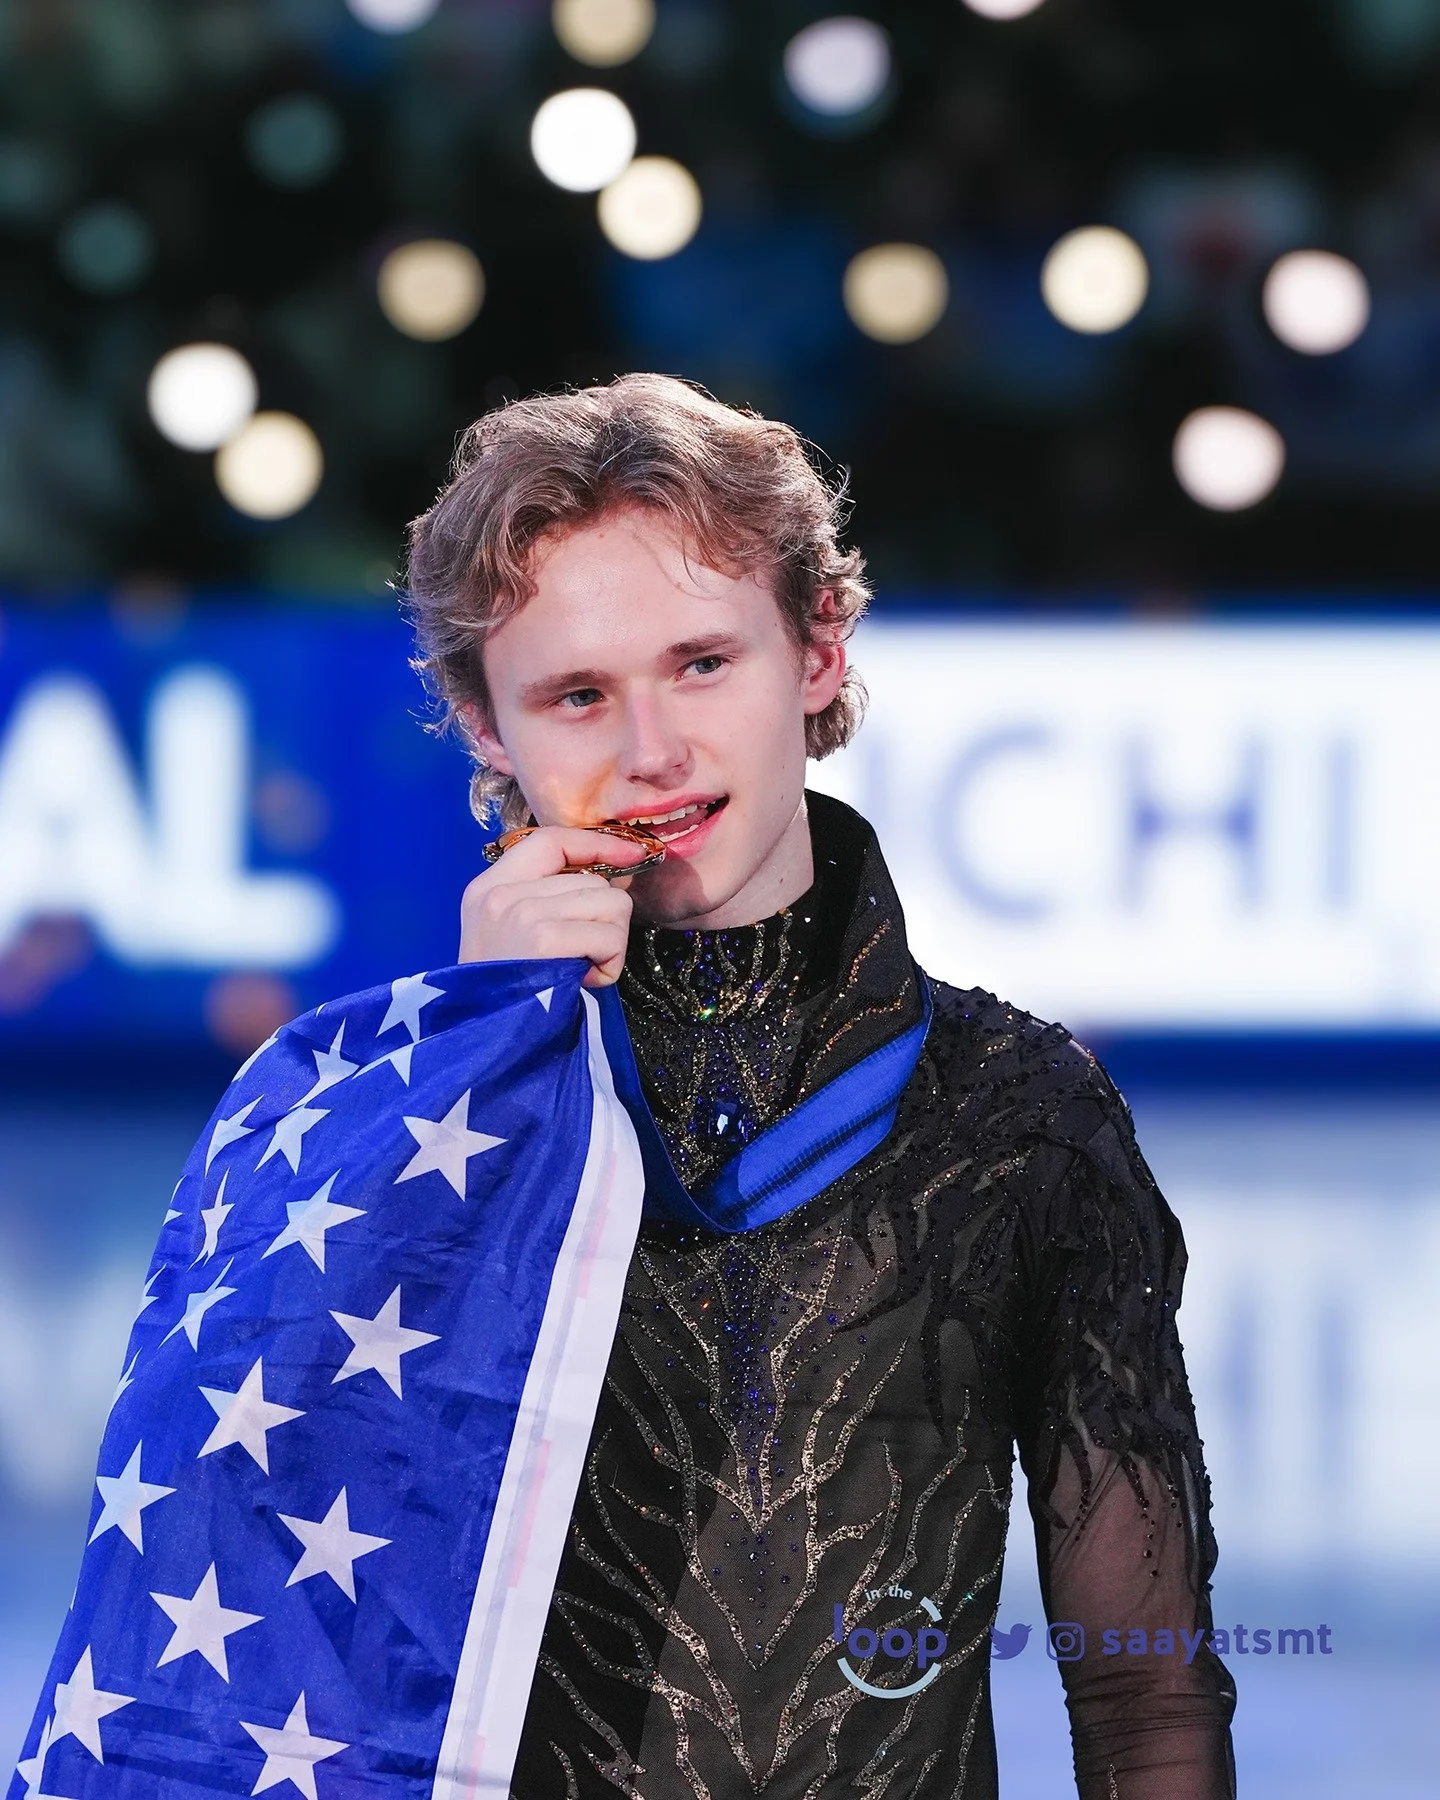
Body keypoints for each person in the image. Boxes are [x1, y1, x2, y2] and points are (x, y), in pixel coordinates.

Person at [402, 372, 1238, 1799]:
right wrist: (483, 1060)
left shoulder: (1024, 1122)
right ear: (489, 729)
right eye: (577, 694)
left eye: (703, 664)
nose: (652, 750)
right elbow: (313, 1602)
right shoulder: (388, 1117)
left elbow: (1145, 1694)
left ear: (821, 651)